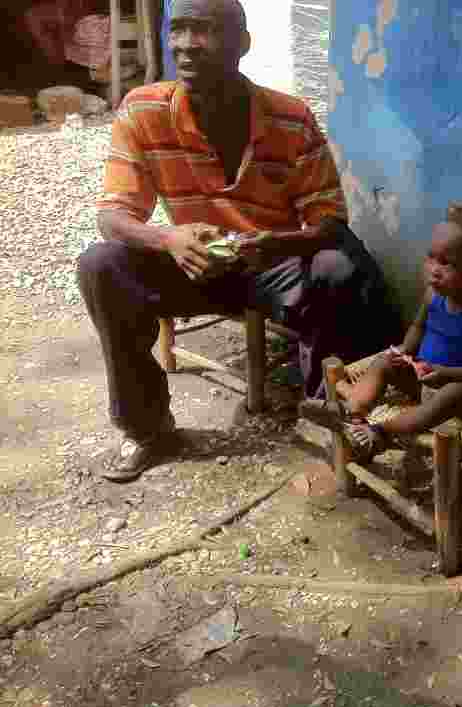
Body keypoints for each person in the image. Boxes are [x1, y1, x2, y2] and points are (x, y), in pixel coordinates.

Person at [77, 0, 396, 483]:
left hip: (270, 264)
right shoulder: (143, 110)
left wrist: (275, 244)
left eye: (202, 30)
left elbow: (329, 220)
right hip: (193, 265)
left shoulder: (290, 118)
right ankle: (147, 428)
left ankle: (324, 409)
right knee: (101, 265)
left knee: (341, 266)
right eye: (178, 29)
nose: (185, 45)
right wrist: (168, 238)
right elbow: (112, 215)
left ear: (242, 43)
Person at [301, 206, 462, 460]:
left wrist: (446, 373)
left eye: (446, 263)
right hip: (425, 376)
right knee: (383, 362)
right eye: (431, 257)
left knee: (449, 396)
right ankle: (349, 412)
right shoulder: (433, 295)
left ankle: (379, 433)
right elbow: (418, 327)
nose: (433, 269)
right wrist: (405, 350)